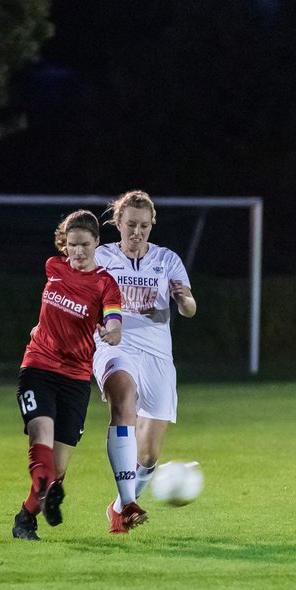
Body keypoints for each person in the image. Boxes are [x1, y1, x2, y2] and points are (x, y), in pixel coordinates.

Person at [11, 210, 123, 541]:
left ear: (96, 243)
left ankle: (30, 510)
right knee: (40, 436)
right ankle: (31, 517)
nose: (77, 252)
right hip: (38, 367)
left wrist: (111, 333)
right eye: (72, 245)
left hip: (75, 378)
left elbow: (114, 322)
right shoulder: (53, 267)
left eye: (84, 245)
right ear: (66, 245)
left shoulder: (105, 284)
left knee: (57, 469)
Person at [92, 190, 197, 534]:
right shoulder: (101, 257)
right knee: (124, 396)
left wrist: (183, 301)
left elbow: (190, 307)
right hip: (115, 346)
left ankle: (120, 507)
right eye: (131, 225)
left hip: (157, 356)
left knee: (149, 455)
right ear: (118, 223)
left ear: (152, 226)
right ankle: (127, 503)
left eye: (144, 226)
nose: (137, 232)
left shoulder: (167, 260)